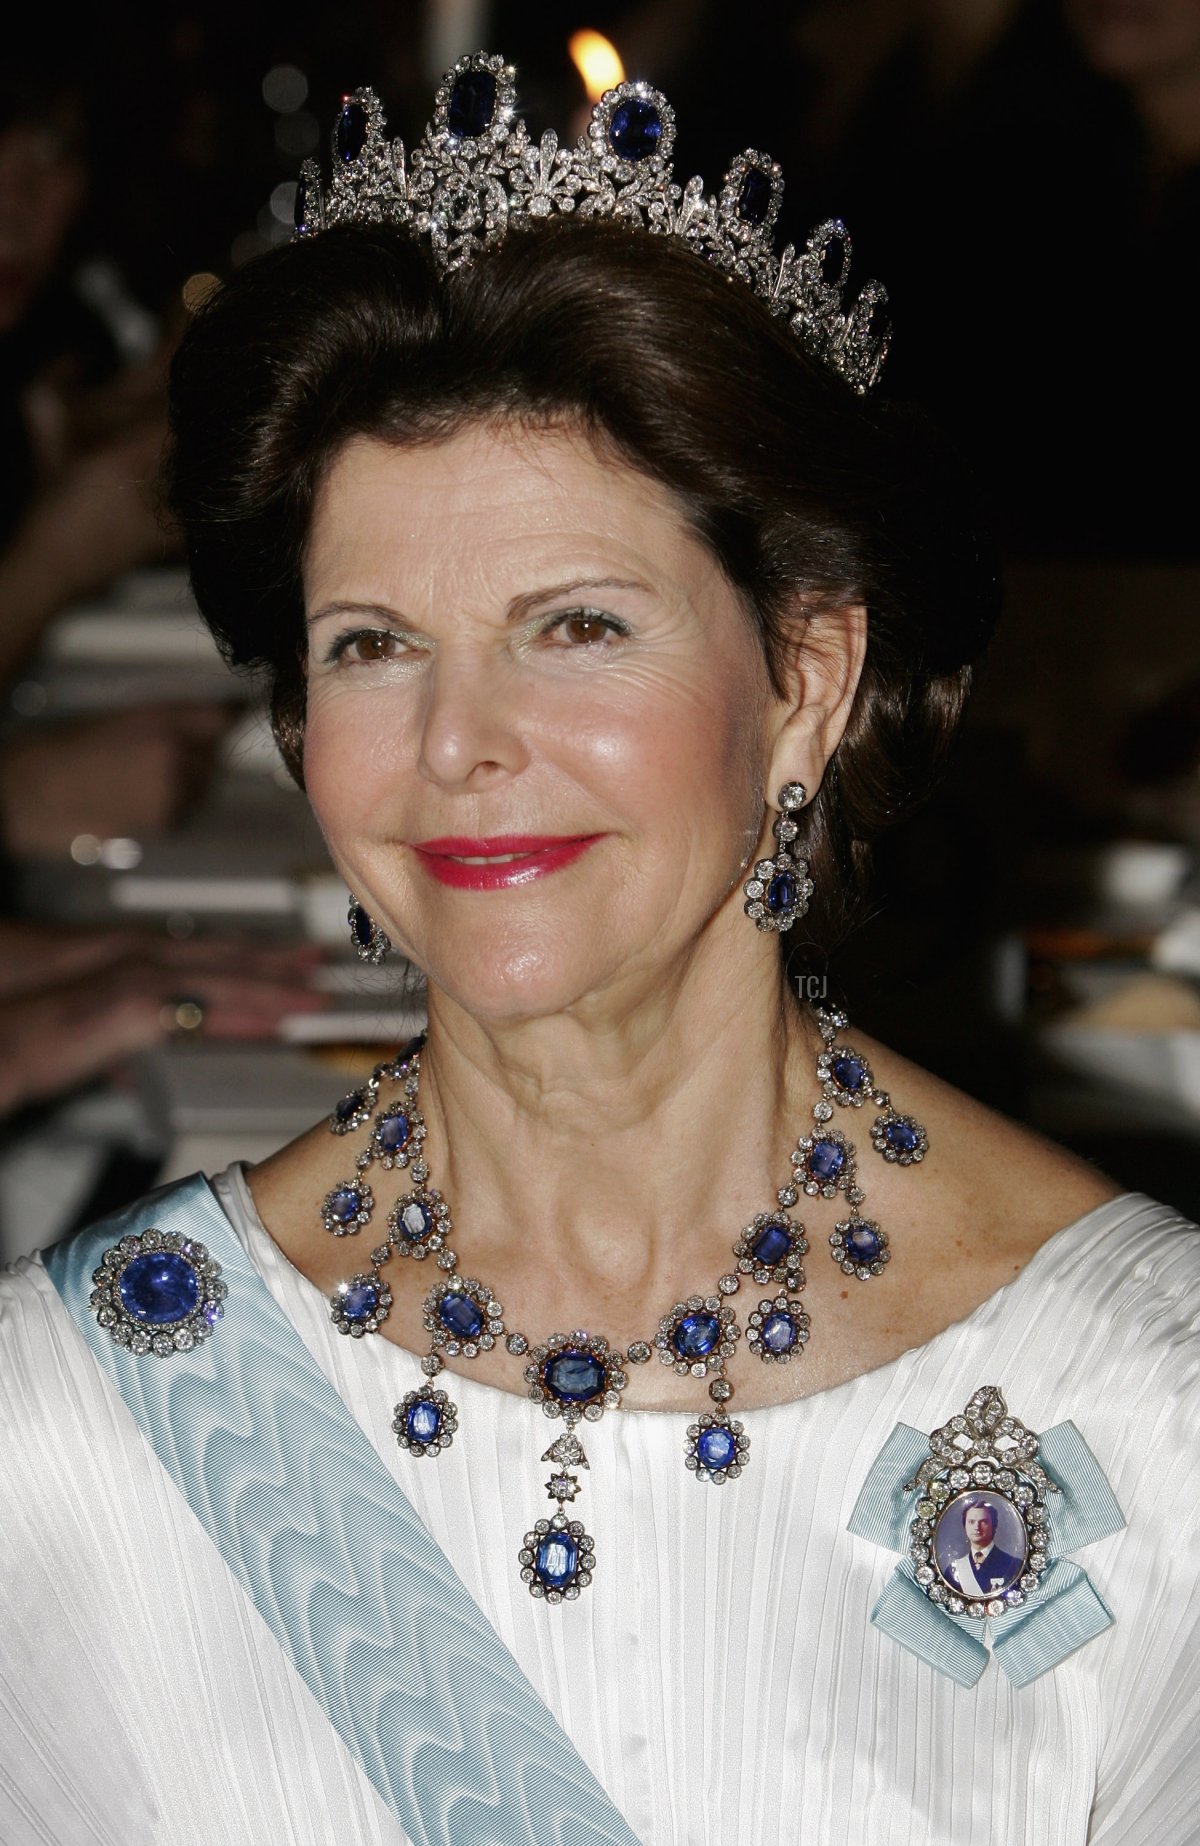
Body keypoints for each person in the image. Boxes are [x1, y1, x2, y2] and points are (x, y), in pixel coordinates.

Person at [2, 53, 1198, 1846]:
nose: (458, 741)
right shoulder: (77, 1422)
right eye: (371, 644)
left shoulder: (1151, 1408)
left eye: (575, 624)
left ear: (806, 678)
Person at [942, 1498, 1026, 1598]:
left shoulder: (1013, 1565)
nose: (977, 1527)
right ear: (965, 1526)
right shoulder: (953, 1569)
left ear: (994, 1525)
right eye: (971, 1522)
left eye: (983, 1522)